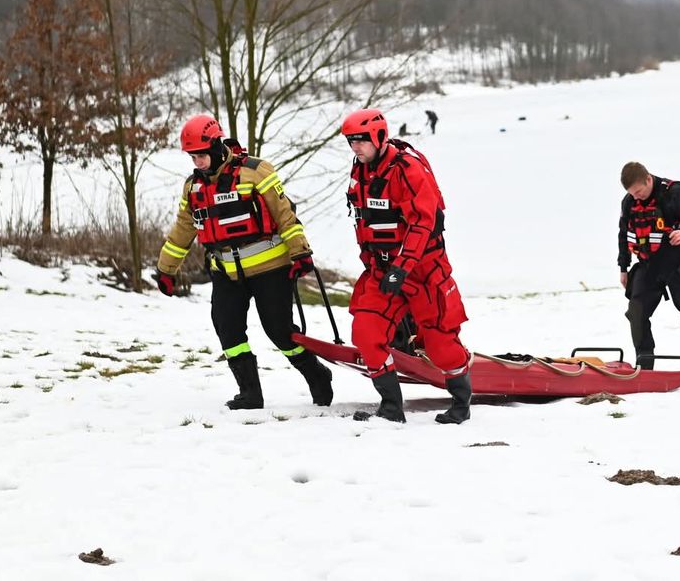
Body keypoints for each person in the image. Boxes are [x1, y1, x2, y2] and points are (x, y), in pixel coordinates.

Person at [154, 115, 333, 410]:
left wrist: (301, 253)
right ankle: (249, 393)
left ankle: (317, 375)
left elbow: (284, 215)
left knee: (279, 331)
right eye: (192, 157)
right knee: (228, 329)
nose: (197, 162)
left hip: (270, 269)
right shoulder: (193, 188)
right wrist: (166, 269)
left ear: (217, 146)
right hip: (226, 272)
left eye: (201, 155)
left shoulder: (256, 171)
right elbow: (182, 230)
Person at [342, 108, 473, 424]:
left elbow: (422, 223)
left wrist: (402, 267)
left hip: (422, 272)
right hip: (382, 271)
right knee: (366, 332)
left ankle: (461, 404)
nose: (356, 147)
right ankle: (391, 408)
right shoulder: (361, 171)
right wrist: (376, 264)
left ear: (379, 137)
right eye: (351, 141)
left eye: (361, 140)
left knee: (441, 345)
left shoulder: (407, 169)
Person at [618, 162, 680, 381]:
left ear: (648, 179)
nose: (636, 197)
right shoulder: (629, 202)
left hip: (679, 265)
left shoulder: (675, 193)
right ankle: (644, 369)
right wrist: (623, 267)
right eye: (632, 193)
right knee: (636, 313)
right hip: (648, 266)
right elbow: (623, 234)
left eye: (639, 191)